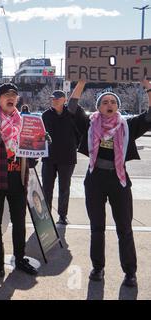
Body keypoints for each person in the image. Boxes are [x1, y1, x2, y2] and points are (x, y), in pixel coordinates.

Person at [68, 79, 151, 288]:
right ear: (98, 107)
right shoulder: (89, 123)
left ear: (118, 106)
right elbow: (71, 107)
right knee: (97, 228)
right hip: (95, 179)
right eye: (104, 102)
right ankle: (97, 268)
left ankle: (130, 272)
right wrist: (82, 82)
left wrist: (147, 86)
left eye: (112, 102)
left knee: (125, 228)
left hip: (119, 180)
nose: (109, 105)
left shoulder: (128, 125)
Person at [0, 83, 39, 279]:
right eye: (6, 95)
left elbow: (30, 156)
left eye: (14, 95)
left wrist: (39, 149)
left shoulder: (25, 123)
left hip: (17, 179)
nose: (10, 98)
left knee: (19, 222)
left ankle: (19, 258)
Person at [41, 90, 80, 225]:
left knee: (64, 188)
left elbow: (80, 131)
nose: (55, 100)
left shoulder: (71, 114)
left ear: (64, 100)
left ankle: (63, 215)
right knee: (46, 188)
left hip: (67, 157)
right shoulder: (45, 115)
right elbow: (38, 134)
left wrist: (75, 144)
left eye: (58, 98)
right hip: (49, 158)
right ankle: (45, 216)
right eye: (53, 98)